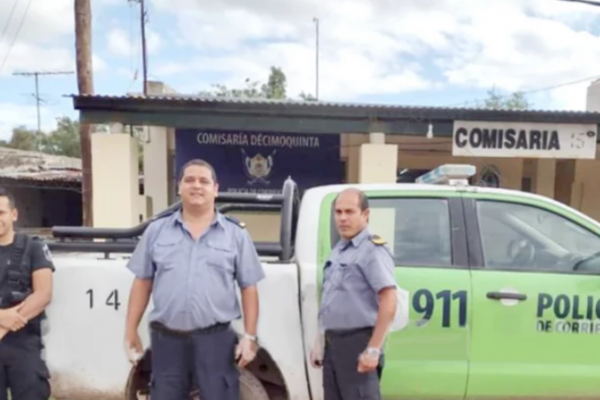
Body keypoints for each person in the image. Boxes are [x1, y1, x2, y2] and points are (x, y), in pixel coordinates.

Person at [124, 159, 265, 400]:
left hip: (216, 340)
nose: (196, 186)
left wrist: (250, 337)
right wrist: (130, 330)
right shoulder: (156, 231)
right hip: (167, 339)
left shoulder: (235, 234)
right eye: (189, 180)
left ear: (216, 189)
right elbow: (143, 282)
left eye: (204, 181)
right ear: (179, 187)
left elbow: (248, 287)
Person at [310, 187, 397, 400]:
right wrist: (320, 339)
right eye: (338, 212)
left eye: (349, 212)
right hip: (334, 344)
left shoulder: (372, 250)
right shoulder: (340, 250)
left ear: (365, 214)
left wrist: (374, 349)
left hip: (358, 343)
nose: (342, 218)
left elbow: (389, 299)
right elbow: (332, 299)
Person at [0, 187, 55, 400]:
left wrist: (4, 327)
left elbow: (43, 295)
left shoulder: (33, 247)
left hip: (23, 341)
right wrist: (4, 318)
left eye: (1, 213)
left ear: (14, 214)